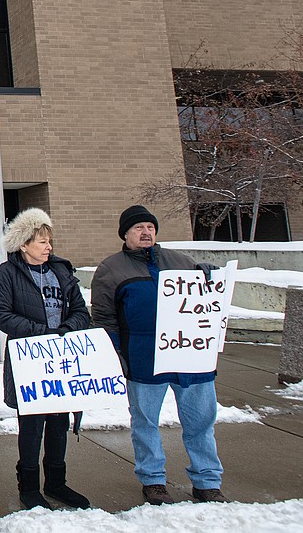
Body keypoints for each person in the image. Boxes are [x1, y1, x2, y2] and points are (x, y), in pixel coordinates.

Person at [92, 205, 230, 505]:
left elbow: (206, 299)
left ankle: (207, 481)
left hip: (190, 358)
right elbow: (103, 318)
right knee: (145, 422)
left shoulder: (179, 261)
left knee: (201, 422)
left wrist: (208, 276)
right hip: (143, 358)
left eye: (150, 227)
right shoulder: (111, 269)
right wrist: (115, 352)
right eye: (139, 228)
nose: (146, 232)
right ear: (125, 234)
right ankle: (153, 480)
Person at [0, 208, 91, 510]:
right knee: (31, 426)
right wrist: (40, 332)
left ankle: (57, 483)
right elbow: (1, 314)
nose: (48, 246)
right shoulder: (9, 273)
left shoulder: (62, 271)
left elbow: (81, 312)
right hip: (29, 360)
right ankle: (29, 486)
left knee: (59, 423)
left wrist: (65, 330)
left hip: (61, 359)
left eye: (49, 241)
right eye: (41, 241)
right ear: (23, 244)